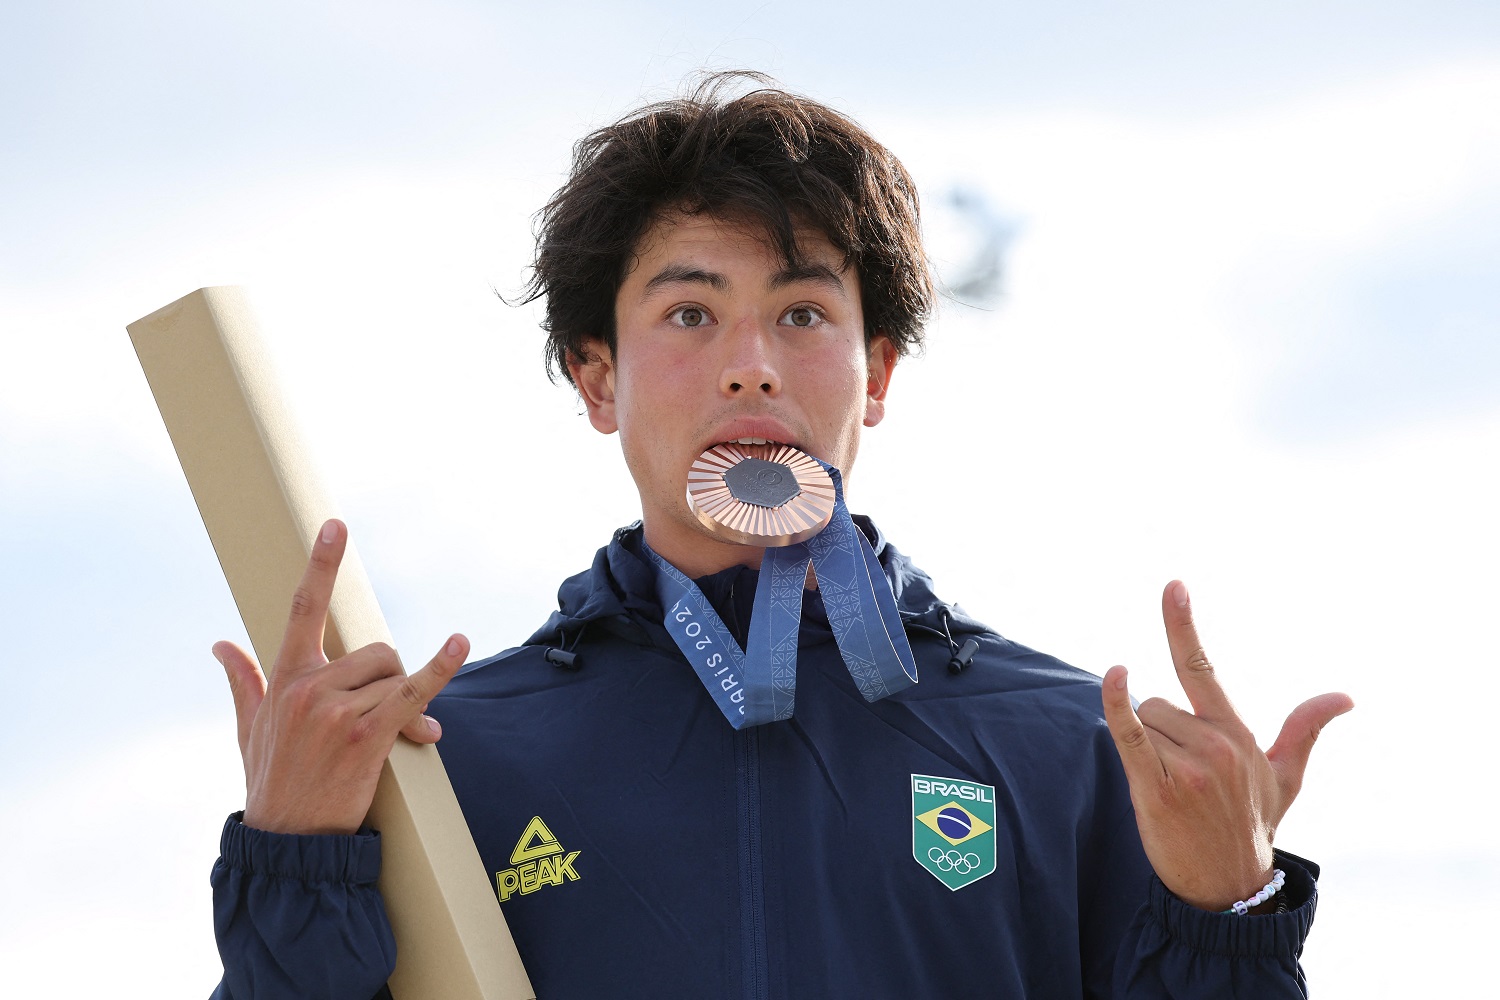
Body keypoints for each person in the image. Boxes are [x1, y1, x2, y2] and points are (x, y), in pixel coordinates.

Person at [209, 74, 1353, 999]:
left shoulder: (1068, 748)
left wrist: (1231, 917)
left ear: (881, 371)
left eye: (803, 313)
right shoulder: (445, 758)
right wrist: (294, 858)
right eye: (690, 313)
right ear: (595, 376)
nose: (750, 358)